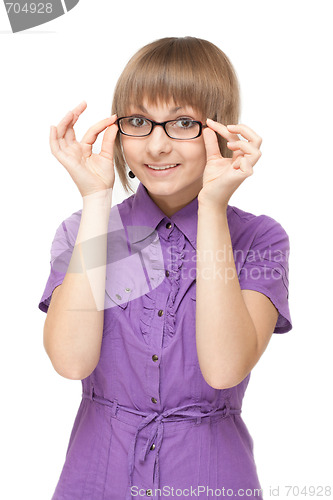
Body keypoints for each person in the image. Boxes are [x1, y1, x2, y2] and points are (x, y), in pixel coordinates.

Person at [38, 36, 292, 500]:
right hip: (96, 479)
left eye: (181, 124)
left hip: (212, 480)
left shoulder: (260, 239)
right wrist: (96, 198)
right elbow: (70, 361)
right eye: (139, 121)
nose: (155, 146)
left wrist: (214, 207)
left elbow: (224, 368)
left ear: (218, 129)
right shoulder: (84, 231)